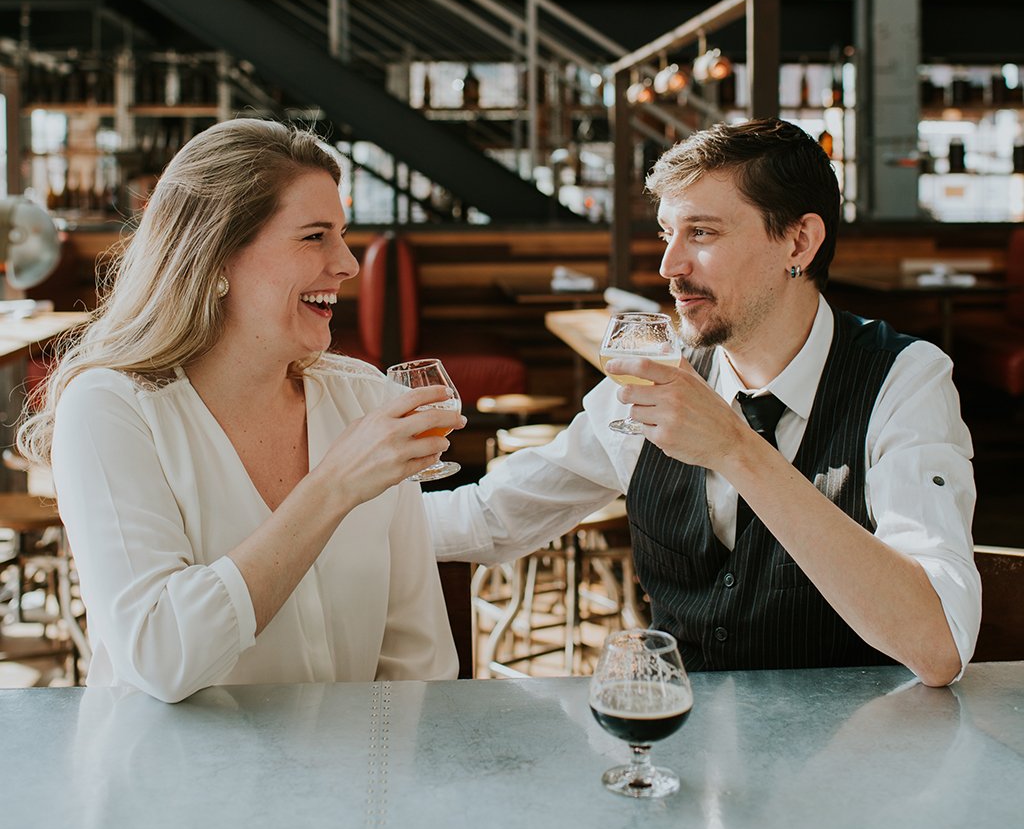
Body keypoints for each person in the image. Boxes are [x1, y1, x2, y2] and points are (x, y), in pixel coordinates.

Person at [426, 119, 981, 687]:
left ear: (798, 242)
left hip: (856, 755)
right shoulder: (659, 379)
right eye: (668, 232)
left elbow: (937, 645)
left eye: (703, 233)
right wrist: (336, 505)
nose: (670, 266)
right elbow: (492, 517)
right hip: (679, 749)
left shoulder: (904, 379)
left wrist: (736, 449)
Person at [17, 118, 464, 701]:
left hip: (355, 780)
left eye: (343, 234)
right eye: (314, 236)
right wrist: (333, 487)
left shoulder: (365, 399)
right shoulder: (109, 409)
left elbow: (418, 658)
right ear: (218, 256)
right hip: (178, 783)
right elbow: (161, 656)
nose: (348, 264)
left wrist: (381, 784)